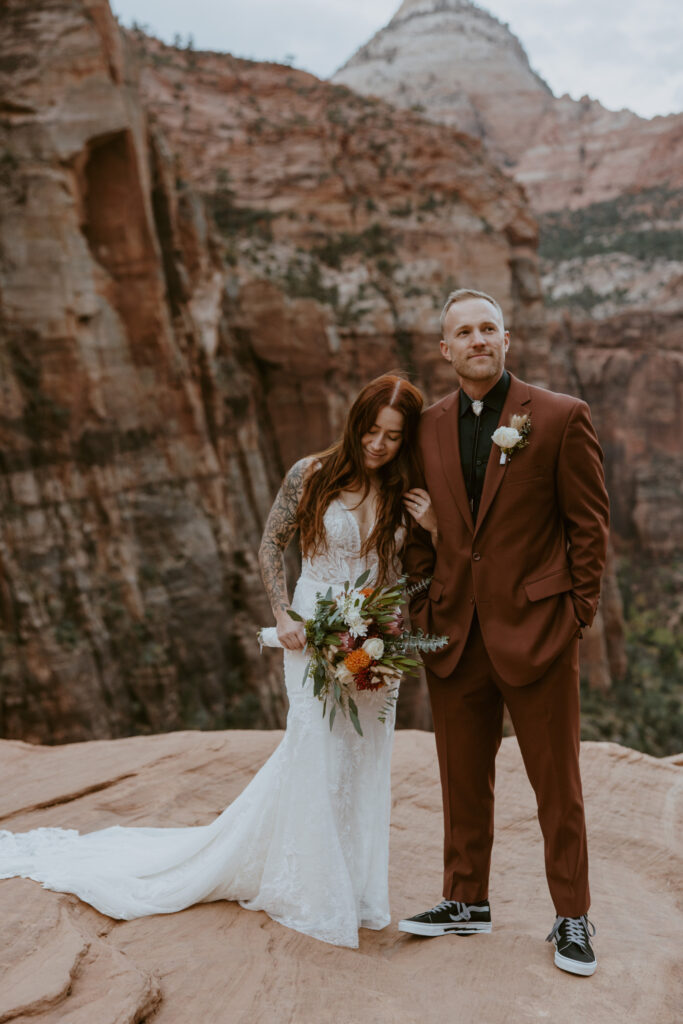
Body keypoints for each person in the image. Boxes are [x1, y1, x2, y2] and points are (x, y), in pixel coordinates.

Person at [0, 374, 425, 949]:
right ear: (355, 424)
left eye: (393, 437)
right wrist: (283, 614)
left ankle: (352, 884)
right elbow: (271, 544)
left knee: (361, 757)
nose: (378, 444)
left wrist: (398, 607)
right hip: (310, 631)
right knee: (317, 746)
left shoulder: (405, 491)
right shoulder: (311, 474)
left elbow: (407, 575)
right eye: (371, 430)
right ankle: (311, 890)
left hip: (371, 637)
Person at [399, 289, 609, 977]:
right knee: (461, 777)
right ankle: (465, 900)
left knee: (557, 783)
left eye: (487, 327)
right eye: (462, 332)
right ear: (444, 349)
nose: (477, 339)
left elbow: (588, 525)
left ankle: (571, 915)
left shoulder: (556, 416)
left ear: (507, 338)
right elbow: (419, 532)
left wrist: (575, 614)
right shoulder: (425, 429)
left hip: (538, 630)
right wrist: (426, 607)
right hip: (454, 634)